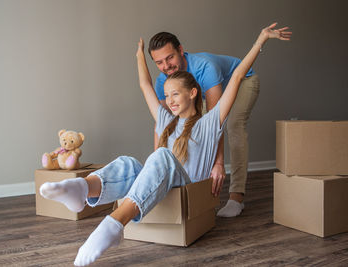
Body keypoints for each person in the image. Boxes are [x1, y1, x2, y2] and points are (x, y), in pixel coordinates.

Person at [39, 23, 291, 266]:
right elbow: (145, 85)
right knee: (129, 162)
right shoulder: (165, 120)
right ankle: (83, 189)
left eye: (175, 94)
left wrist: (261, 40)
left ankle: (114, 224)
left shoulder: (210, 122)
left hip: (188, 189)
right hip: (165, 187)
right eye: (167, 95)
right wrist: (139, 55)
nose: (169, 100)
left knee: (161, 157)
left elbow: (236, 77)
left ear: (193, 93)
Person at [149, 30, 261, 217]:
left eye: (170, 58)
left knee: (234, 125)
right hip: (201, 90)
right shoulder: (163, 82)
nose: (166, 66)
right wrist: (156, 164)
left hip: (242, 81)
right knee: (187, 124)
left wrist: (218, 163)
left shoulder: (205, 68)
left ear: (181, 50)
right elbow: (163, 124)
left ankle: (236, 198)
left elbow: (216, 123)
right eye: (159, 62)